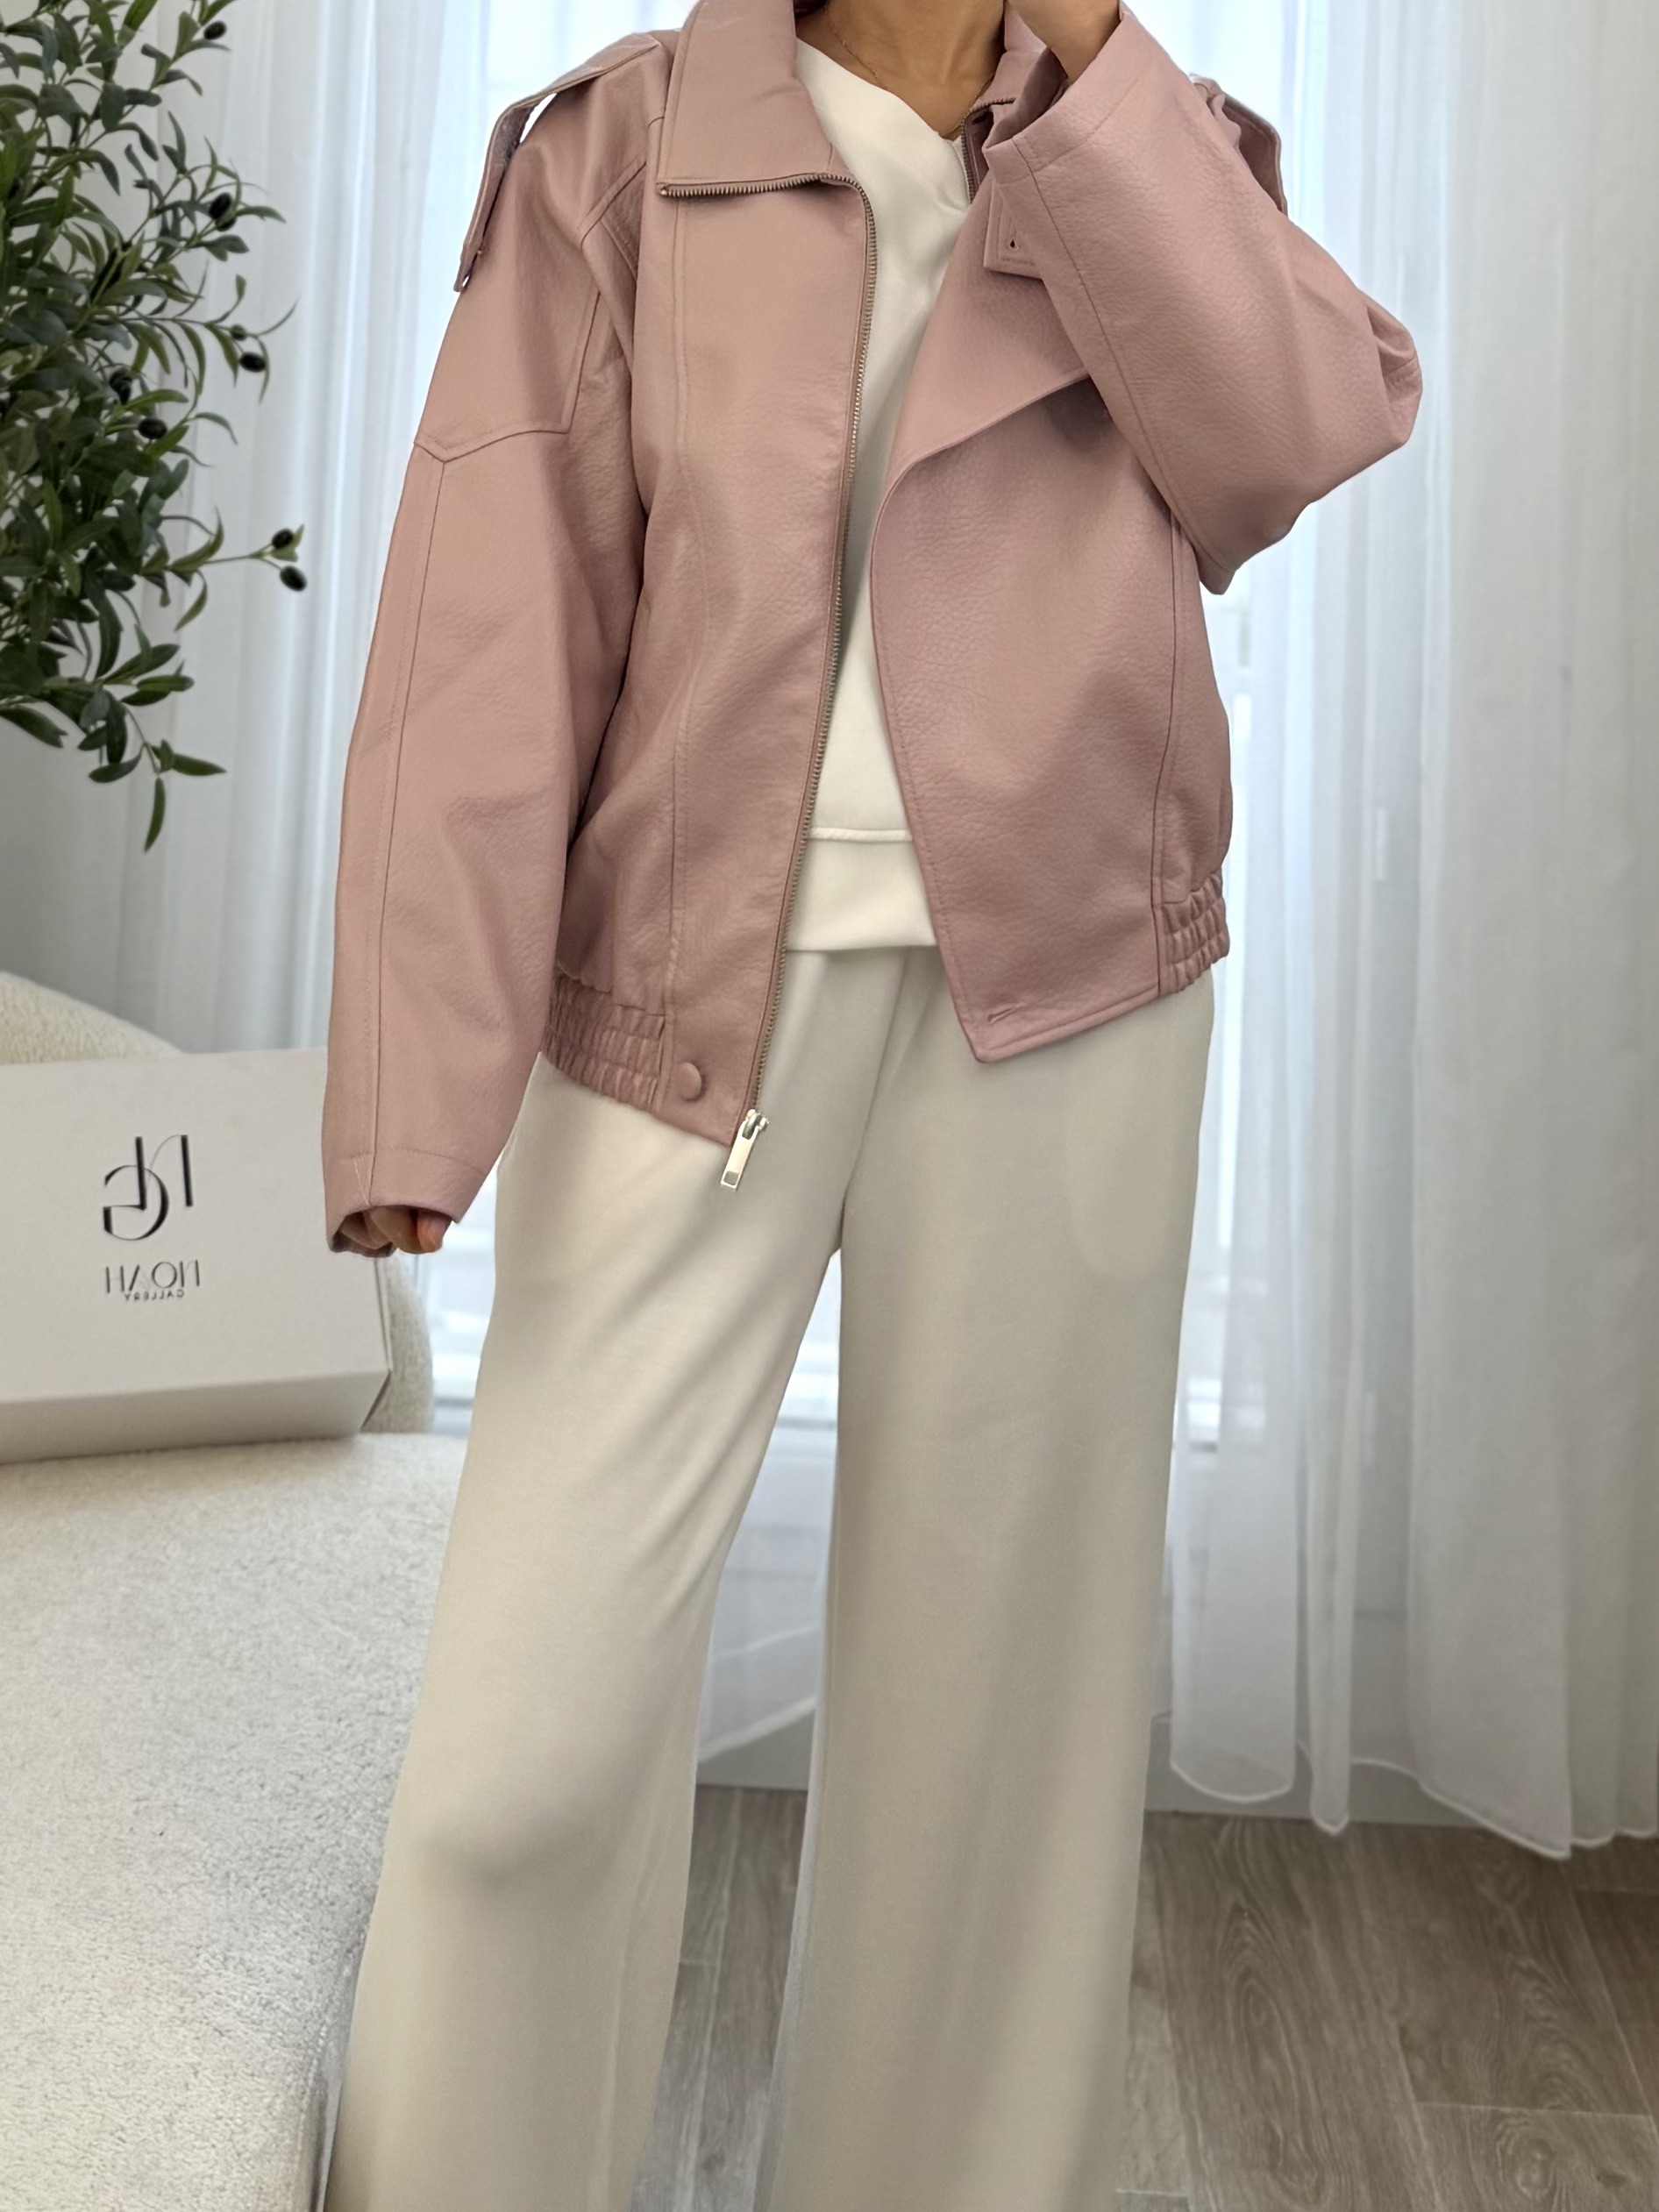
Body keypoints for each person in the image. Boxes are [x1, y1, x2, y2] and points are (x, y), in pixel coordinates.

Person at [317, 0, 1420, 2205]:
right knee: (516, 1772)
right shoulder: (621, 150)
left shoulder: (1155, 145)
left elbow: (1293, 431)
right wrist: (410, 1094)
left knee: (986, 1760)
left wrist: (1093, 71)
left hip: (1070, 1005)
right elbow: (487, 632)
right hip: (673, 1001)